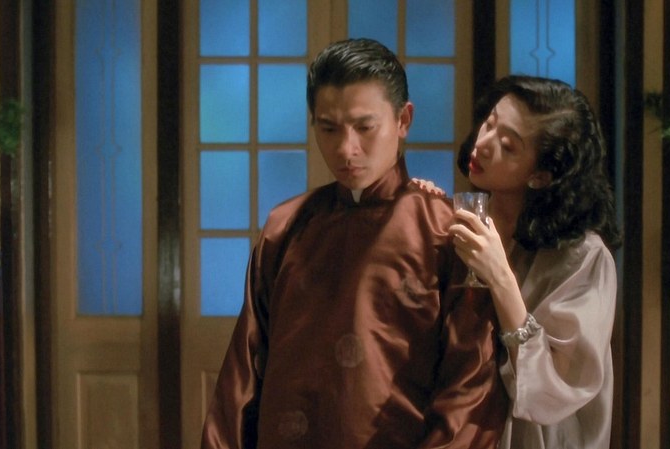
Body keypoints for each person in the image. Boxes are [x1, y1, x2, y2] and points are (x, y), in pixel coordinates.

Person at [201, 38, 508, 449]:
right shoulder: (286, 226)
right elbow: (242, 375)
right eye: (329, 128)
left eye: (365, 127)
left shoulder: (448, 232)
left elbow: (470, 388)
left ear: (403, 120)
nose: (347, 150)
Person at [448, 75, 622, 449]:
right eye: (489, 123)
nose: (483, 143)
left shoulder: (584, 257)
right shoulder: (466, 223)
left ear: (540, 176)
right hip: (458, 429)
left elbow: (555, 388)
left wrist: (500, 276)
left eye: (508, 145)